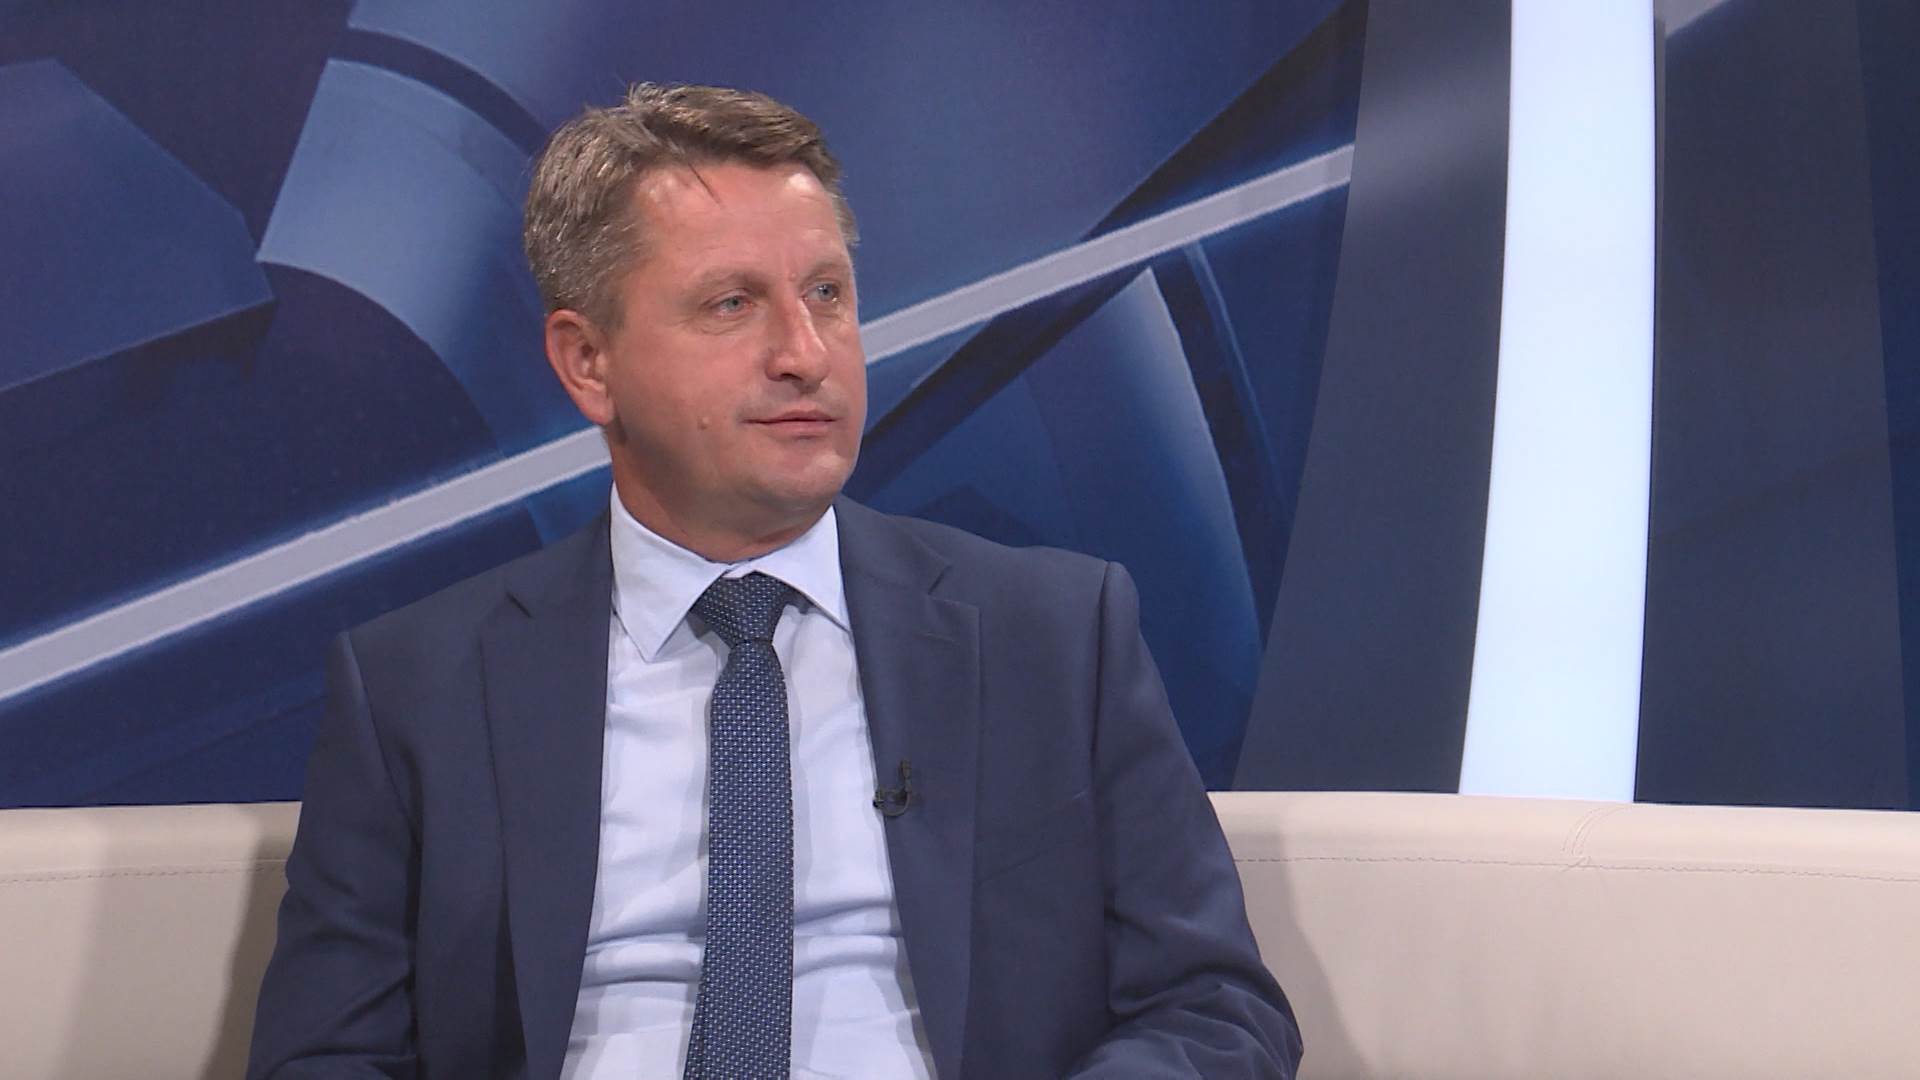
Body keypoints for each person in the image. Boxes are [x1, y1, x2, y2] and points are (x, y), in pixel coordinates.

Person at [247, 83, 1300, 1080]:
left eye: (827, 294)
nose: (805, 353)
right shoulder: (415, 688)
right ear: (587, 363)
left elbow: (1215, 1008)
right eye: (732, 303)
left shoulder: (1054, 635)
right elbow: (324, 1058)